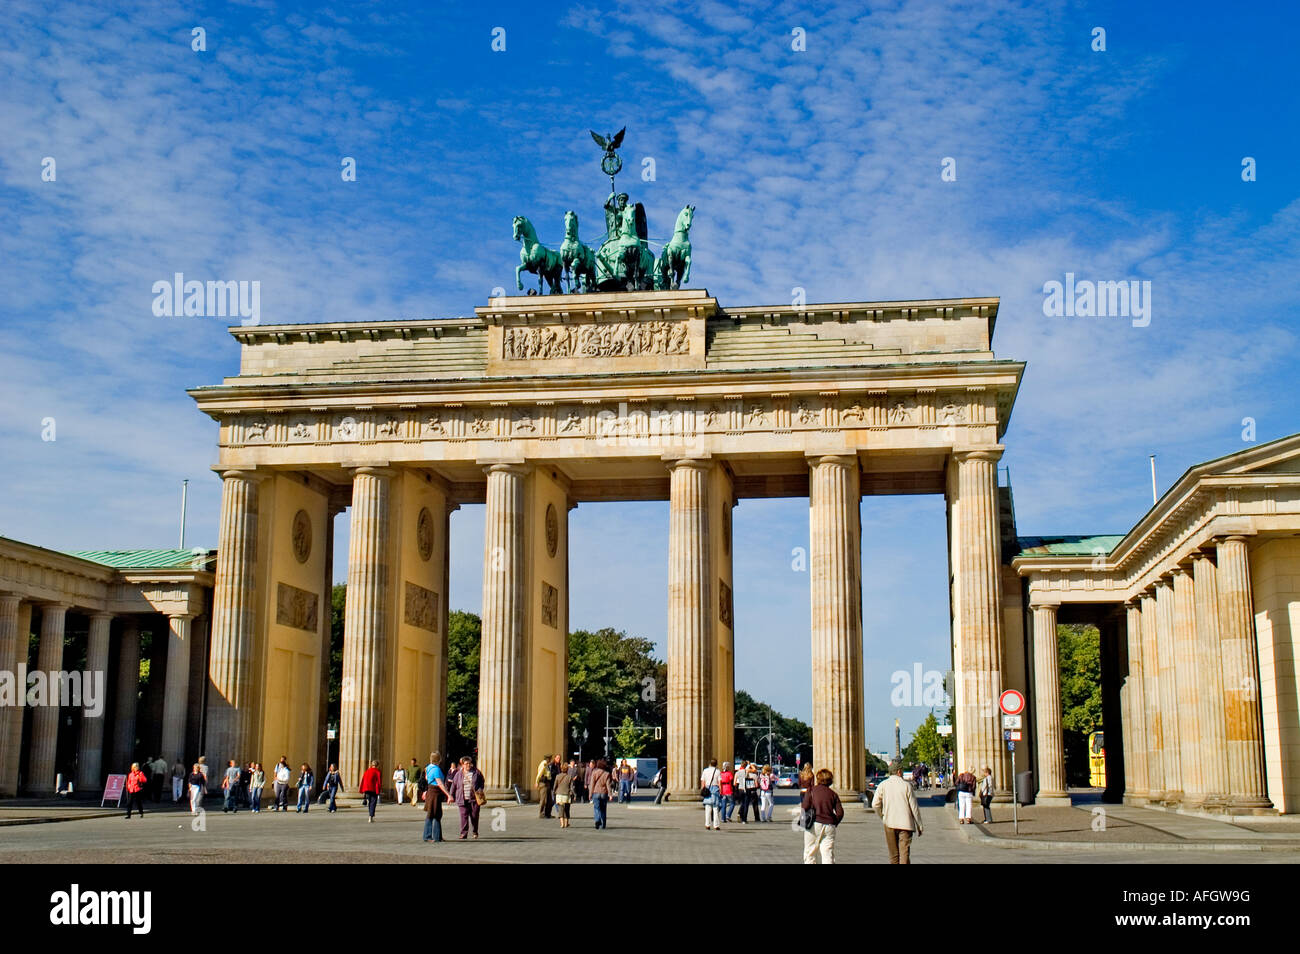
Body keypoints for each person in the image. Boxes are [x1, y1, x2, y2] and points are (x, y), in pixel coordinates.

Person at [872, 760, 924, 864]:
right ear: (899, 772)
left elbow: (875, 804)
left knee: (894, 855)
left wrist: (882, 816)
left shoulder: (883, 785)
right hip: (905, 824)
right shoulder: (906, 786)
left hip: (889, 823)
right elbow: (914, 807)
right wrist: (919, 825)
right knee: (904, 853)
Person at [800, 768, 844, 864]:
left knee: (810, 852)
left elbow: (805, 807)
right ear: (830, 780)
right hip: (829, 826)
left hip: (814, 824)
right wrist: (834, 822)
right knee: (827, 853)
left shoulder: (811, 790)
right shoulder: (833, 794)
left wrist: (803, 822)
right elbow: (840, 813)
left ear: (818, 779)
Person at [447, 756, 485, 839]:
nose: (468, 765)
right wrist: (450, 796)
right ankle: (463, 833)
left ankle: (475, 831)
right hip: (462, 798)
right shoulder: (458, 774)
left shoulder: (476, 772)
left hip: (474, 799)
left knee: (474, 816)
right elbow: (454, 785)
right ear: (462, 765)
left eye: (469, 763)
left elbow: (482, 781)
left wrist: (480, 789)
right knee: (463, 816)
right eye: (466, 763)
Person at [423, 752, 453, 842]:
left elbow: (426, 778)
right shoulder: (436, 769)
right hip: (434, 793)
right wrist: (448, 795)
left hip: (431, 791)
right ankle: (427, 836)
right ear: (439, 759)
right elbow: (439, 783)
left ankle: (437, 836)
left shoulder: (428, 768)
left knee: (437, 814)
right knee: (431, 814)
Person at [588, 758, 613, 829]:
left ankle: (597, 820)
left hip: (596, 792)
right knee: (603, 809)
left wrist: (590, 794)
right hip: (604, 793)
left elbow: (592, 784)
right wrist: (610, 795)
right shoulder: (606, 774)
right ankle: (603, 824)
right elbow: (608, 785)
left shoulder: (594, 773)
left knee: (596, 807)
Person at [700, 759, 722, 830]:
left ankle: (707, 824)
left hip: (707, 789)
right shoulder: (718, 771)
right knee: (715, 808)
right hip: (715, 789)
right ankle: (716, 825)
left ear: (710, 764)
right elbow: (719, 782)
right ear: (716, 764)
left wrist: (703, 789)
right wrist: (720, 790)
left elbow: (703, 781)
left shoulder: (705, 770)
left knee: (708, 808)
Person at [553, 759, 576, 829]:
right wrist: (573, 794)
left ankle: (562, 823)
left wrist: (554, 792)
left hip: (559, 794)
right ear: (567, 769)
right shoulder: (569, 777)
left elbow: (555, 786)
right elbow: (571, 787)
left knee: (560, 809)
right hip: (567, 794)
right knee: (567, 809)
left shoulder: (557, 776)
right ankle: (566, 823)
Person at [536, 754, 554, 818]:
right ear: (548, 759)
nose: (551, 760)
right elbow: (539, 774)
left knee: (549, 800)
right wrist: (537, 782)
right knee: (543, 800)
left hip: (547, 783)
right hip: (543, 783)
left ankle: (548, 813)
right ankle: (541, 814)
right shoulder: (543, 764)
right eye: (550, 758)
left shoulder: (547, 765)